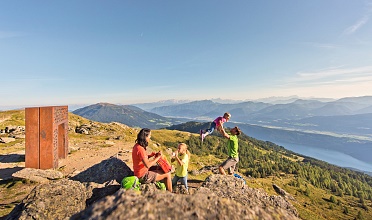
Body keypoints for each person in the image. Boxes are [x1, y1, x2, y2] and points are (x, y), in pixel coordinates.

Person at [132, 128, 173, 192]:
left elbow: (141, 159)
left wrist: (150, 156)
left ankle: (166, 188)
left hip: (140, 172)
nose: (150, 137)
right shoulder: (141, 149)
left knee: (161, 169)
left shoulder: (137, 146)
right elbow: (147, 165)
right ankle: (171, 194)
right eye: (149, 136)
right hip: (142, 176)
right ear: (145, 137)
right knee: (167, 174)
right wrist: (158, 158)